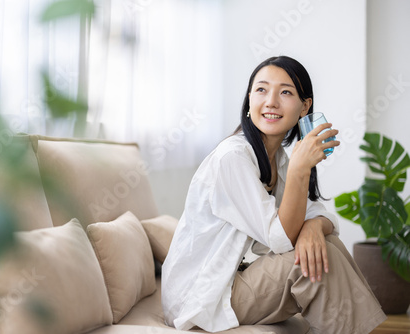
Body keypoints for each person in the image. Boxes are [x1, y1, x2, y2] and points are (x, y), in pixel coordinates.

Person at [161, 55, 387, 334]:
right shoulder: (232, 158)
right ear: (249, 100)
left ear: (305, 107)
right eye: (261, 89)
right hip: (200, 296)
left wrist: (313, 226)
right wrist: (301, 170)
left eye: (286, 92)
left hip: (227, 280)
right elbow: (279, 237)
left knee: (322, 245)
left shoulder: (277, 158)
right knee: (317, 257)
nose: (271, 101)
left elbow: (318, 214)